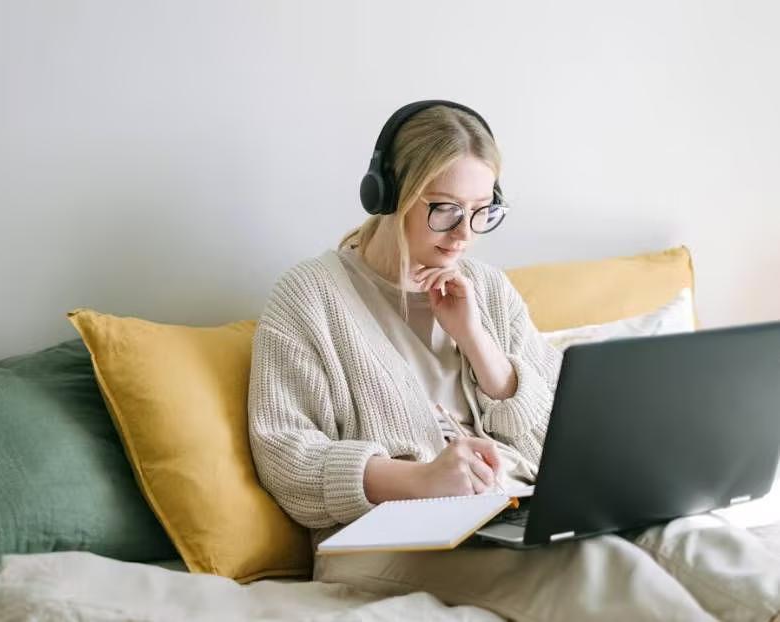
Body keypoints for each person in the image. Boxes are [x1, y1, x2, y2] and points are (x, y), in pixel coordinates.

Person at [247, 101, 780, 621]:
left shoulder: (486, 288)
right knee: (599, 570)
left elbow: (556, 440)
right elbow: (287, 460)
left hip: (513, 508)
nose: (464, 234)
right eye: (445, 209)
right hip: (382, 539)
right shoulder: (309, 297)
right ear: (388, 195)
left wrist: (477, 341)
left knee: (687, 535)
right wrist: (420, 480)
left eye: (481, 212)